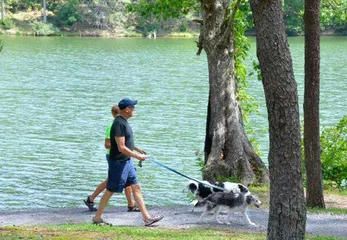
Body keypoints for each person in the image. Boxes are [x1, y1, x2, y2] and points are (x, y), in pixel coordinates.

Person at [92, 98, 163, 226]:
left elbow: (127, 144)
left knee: (136, 187)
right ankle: (97, 218)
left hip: (127, 162)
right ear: (126, 109)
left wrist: (137, 151)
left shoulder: (124, 122)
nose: (134, 109)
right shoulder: (118, 123)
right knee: (110, 190)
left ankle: (147, 218)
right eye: (132, 107)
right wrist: (138, 156)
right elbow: (121, 147)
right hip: (118, 163)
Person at [84, 105, 145, 212]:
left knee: (128, 181)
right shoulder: (113, 126)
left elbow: (124, 142)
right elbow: (108, 145)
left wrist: (137, 149)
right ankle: (92, 199)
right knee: (111, 182)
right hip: (115, 157)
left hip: (124, 156)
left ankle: (131, 204)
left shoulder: (122, 124)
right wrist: (124, 149)